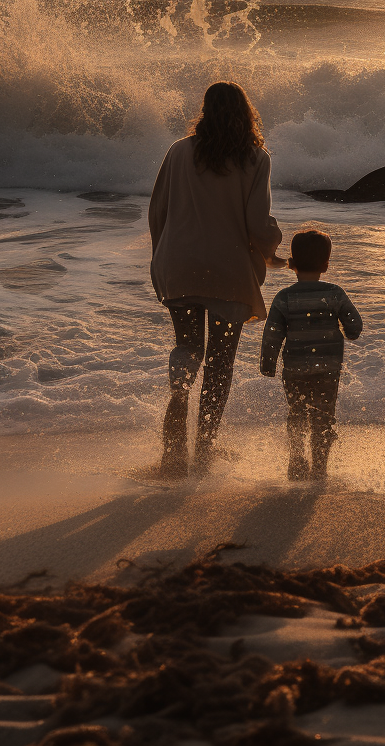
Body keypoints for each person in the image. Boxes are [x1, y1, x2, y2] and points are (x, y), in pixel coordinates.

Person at [149, 82, 285, 478]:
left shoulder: (178, 150)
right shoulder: (255, 158)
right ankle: (204, 449)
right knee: (220, 364)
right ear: (246, 113)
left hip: (179, 265)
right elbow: (258, 224)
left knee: (188, 348)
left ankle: (174, 438)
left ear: (204, 110)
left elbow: (158, 211)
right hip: (228, 273)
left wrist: (161, 259)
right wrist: (272, 253)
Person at [260, 229, 362, 480]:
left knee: (297, 412)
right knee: (323, 416)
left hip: (294, 368)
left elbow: (273, 332)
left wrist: (268, 362)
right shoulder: (334, 293)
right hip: (328, 368)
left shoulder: (284, 297)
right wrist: (348, 331)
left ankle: (296, 459)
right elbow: (355, 326)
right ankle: (319, 467)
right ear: (326, 265)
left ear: (292, 263)